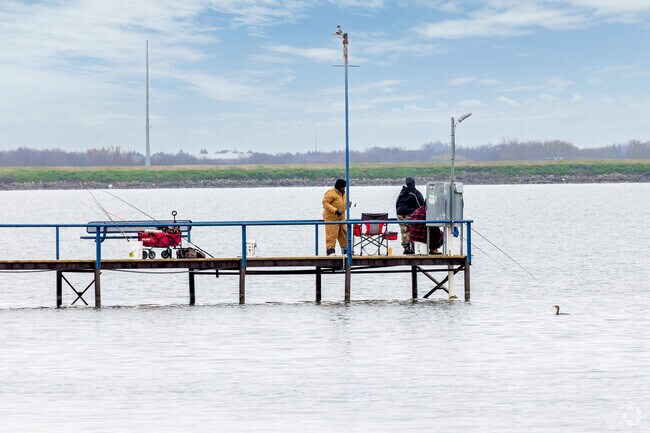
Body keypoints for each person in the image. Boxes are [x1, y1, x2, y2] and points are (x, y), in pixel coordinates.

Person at [395, 176, 424, 254]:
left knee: (404, 232)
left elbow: (397, 204)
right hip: (410, 214)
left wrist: (398, 214)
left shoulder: (402, 192)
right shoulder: (415, 193)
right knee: (414, 230)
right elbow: (421, 205)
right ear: (414, 183)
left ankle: (406, 248)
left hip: (400, 214)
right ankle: (416, 247)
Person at [322, 178, 348, 256]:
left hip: (342, 219)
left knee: (344, 236)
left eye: (345, 187)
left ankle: (346, 252)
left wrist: (351, 203)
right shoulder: (330, 193)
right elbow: (325, 203)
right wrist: (335, 210)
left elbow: (344, 203)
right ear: (339, 186)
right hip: (331, 219)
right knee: (331, 236)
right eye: (343, 187)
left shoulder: (344, 194)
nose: (344, 188)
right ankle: (330, 252)